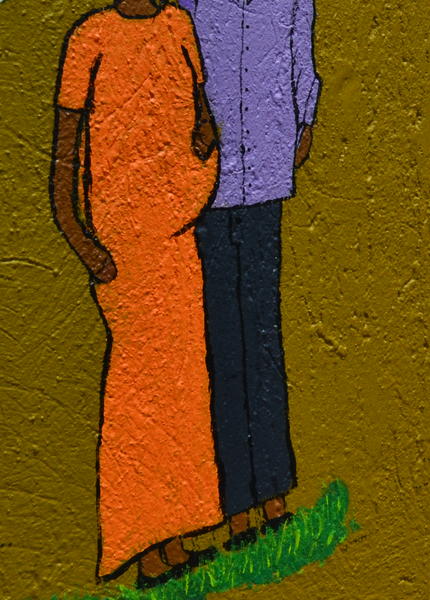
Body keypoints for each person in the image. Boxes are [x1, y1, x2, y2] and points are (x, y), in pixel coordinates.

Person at [51, 0, 223, 586]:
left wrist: (204, 145)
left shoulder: (178, 26)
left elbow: (202, 117)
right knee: (138, 396)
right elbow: (64, 158)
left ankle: (174, 538)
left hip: (179, 235)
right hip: (124, 250)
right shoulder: (90, 40)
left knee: (181, 388)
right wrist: (83, 243)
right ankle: (143, 546)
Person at [178, 0, 321, 548]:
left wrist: (301, 121)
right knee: (219, 340)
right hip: (206, 182)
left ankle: (274, 490)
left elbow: (299, 57)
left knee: (262, 336)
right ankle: (236, 500)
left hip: (264, 173)